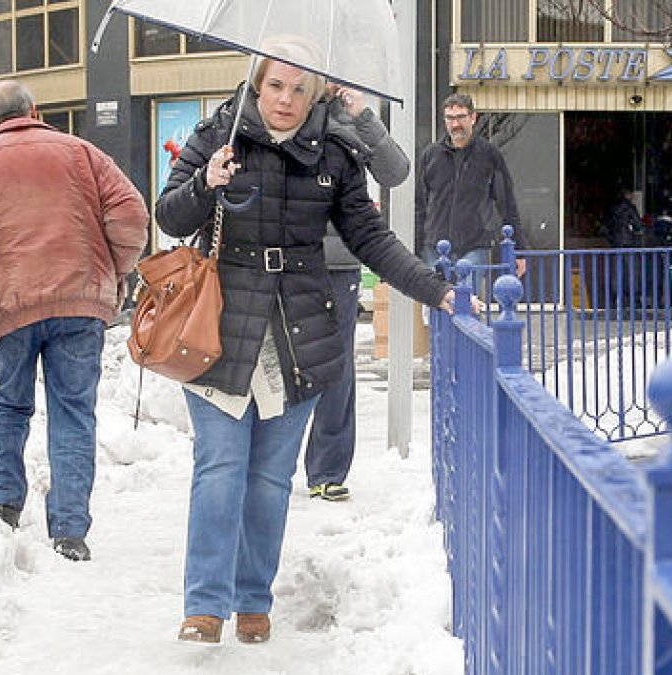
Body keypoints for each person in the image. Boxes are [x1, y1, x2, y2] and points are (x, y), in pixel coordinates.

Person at [154, 36, 455, 645]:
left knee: (269, 478)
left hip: (299, 333)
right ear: (256, 85)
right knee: (219, 469)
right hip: (218, 329)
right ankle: (205, 605)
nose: (285, 100)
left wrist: (433, 289)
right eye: (275, 86)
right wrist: (205, 183)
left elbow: (370, 237)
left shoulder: (336, 151)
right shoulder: (219, 133)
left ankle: (252, 596)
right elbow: (169, 217)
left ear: (315, 92)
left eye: (298, 88)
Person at [0, 79, 149, 562]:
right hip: (78, 303)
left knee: (9, 405)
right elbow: (130, 215)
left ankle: (3, 505)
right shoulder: (83, 153)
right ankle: (69, 531)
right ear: (36, 110)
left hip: (8, 308)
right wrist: (116, 270)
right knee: (73, 412)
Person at [303, 85, 411, 503]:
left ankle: (327, 469)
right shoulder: (288, 103)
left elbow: (395, 171)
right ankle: (269, 464)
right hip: (286, 259)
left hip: (339, 263)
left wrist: (364, 116)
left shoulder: (353, 116)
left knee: (337, 367)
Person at [415, 92, 527, 278]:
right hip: (434, 247)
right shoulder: (430, 156)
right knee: (438, 304)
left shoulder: (490, 155)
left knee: (467, 304)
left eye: (461, 117)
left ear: (473, 118)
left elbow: (506, 204)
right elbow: (419, 205)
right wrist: (416, 247)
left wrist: (520, 249)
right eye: (450, 118)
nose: (455, 124)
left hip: (475, 246)